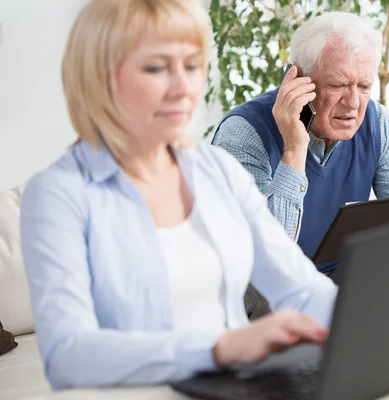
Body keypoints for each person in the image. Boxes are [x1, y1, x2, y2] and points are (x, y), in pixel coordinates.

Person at [19, 0, 337, 390]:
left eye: (191, 65)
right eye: (155, 67)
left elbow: (300, 287)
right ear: (99, 77)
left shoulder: (215, 169)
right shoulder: (58, 194)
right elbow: (66, 354)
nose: (182, 87)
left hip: (233, 392)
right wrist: (220, 347)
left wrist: (367, 320)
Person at [212, 12, 389, 273]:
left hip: (344, 280)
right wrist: (294, 147)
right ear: (296, 80)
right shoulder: (244, 133)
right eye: (338, 85)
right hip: (270, 294)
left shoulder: (377, 122)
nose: (354, 103)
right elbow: (264, 260)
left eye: (364, 86)